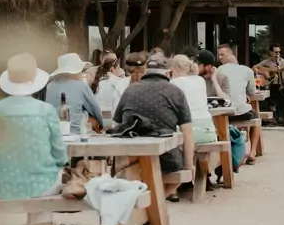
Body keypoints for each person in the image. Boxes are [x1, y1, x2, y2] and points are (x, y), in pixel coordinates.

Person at [0, 53, 67, 225]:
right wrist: (59, 166)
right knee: (41, 205)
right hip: (41, 182)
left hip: (3, 183)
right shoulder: (45, 110)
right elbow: (59, 152)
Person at [113, 53, 194, 202]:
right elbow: (187, 133)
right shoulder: (175, 92)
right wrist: (189, 166)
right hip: (165, 158)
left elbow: (117, 124)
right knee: (182, 163)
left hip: (130, 156)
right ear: (168, 73)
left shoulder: (129, 90)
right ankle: (155, 202)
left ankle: (150, 203)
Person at [217, 44, 261, 161]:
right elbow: (252, 91)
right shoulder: (247, 70)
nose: (220, 57)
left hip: (224, 112)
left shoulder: (217, 71)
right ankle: (252, 152)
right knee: (256, 116)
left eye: (222, 55)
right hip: (242, 112)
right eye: (219, 55)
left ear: (230, 55)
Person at [45, 53, 104, 134]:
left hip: (52, 132)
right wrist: (100, 124)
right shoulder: (81, 85)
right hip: (75, 132)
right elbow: (95, 109)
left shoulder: (49, 86)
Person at [169, 54, 218, 145]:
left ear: (174, 69)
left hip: (185, 133)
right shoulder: (200, 80)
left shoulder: (174, 83)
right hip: (208, 130)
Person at [254, 43, 284, 125]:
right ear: (271, 52)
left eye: (279, 52)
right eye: (275, 52)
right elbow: (254, 68)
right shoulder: (266, 62)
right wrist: (263, 73)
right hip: (270, 86)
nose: (277, 54)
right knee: (272, 95)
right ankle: (275, 117)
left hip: (282, 85)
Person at [91, 53, 127, 123]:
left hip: (98, 118)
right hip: (112, 118)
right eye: (118, 68)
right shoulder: (117, 82)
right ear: (112, 69)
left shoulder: (98, 81)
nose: (120, 70)